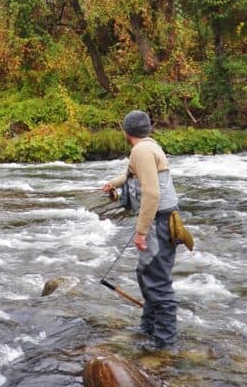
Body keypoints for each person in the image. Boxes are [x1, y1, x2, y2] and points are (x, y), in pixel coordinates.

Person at [102, 110, 179, 351]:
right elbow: (131, 174)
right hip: (163, 221)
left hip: (158, 223)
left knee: (156, 281)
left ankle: (165, 346)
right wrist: (113, 184)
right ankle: (148, 329)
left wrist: (141, 231)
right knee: (146, 274)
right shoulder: (148, 147)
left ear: (125, 131)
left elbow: (152, 193)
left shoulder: (142, 151)